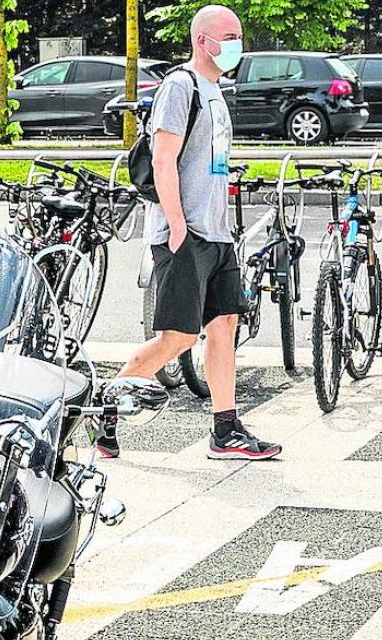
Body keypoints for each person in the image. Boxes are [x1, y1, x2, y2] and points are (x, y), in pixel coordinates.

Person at [97, 4, 281, 461]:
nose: (237, 43)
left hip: (216, 233)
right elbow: (163, 158)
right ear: (202, 41)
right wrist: (177, 224)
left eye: (238, 34)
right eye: (228, 35)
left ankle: (225, 429)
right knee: (178, 337)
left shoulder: (215, 90)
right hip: (186, 232)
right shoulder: (180, 86)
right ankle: (103, 409)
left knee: (224, 325)